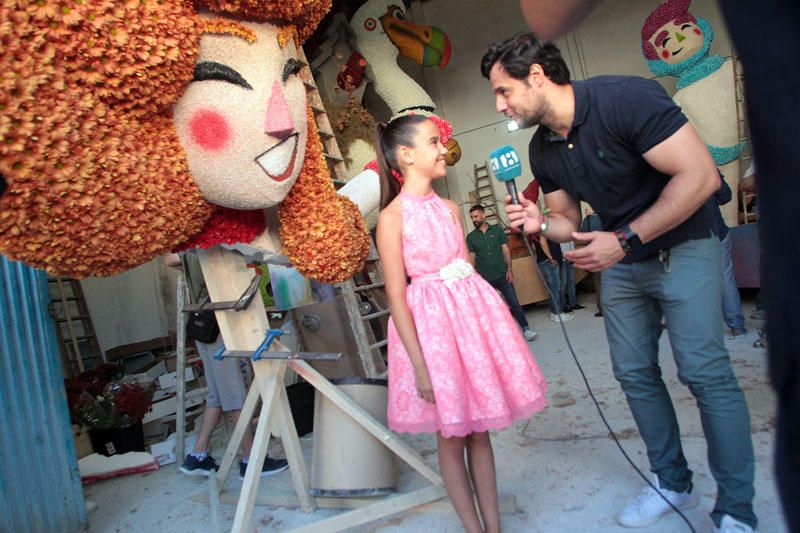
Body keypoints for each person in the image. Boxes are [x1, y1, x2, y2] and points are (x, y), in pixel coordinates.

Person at [483, 33, 756, 532]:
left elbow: (698, 177)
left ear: (537, 77)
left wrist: (624, 240)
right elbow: (566, 218)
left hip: (683, 243)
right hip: (623, 258)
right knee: (633, 372)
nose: (499, 103)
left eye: (503, 91)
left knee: (704, 372)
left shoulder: (626, 98)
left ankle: (737, 509)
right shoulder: (542, 149)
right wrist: (540, 223)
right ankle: (673, 482)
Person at [374, 114, 547, 533]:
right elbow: (396, 294)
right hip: (432, 335)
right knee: (451, 438)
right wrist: (418, 364)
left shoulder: (452, 209)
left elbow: (463, 265)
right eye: (433, 142)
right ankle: (474, 530)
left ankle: (494, 526)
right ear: (406, 154)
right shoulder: (392, 218)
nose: (442, 149)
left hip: (469, 325)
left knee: (480, 433)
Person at [166, 253, 289, 480]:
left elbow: (171, 259)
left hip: (201, 325)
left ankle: (198, 455)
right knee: (235, 396)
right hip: (218, 325)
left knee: (217, 397)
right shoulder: (208, 249)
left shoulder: (189, 251)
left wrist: (191, 264)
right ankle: (250, 460)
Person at [467, 204, 538, 341]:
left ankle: (526, 329)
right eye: (471, 218)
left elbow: (506, 250)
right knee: (490, 309)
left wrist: (510, 269)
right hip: (485, 279)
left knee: (514, 303)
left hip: (502, 274)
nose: (474, 219)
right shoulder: (471, 237)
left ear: (484, 215)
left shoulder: (497, 231)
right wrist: (474, 278)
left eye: (476, 216)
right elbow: (472, 258)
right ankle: (498, 336)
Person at [709, 175, 747, 339]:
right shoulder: (708, 165)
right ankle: (736, 326)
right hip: (716, 230)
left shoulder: (665, 166)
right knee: (726, 277)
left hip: (689, 236)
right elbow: (725, 196)